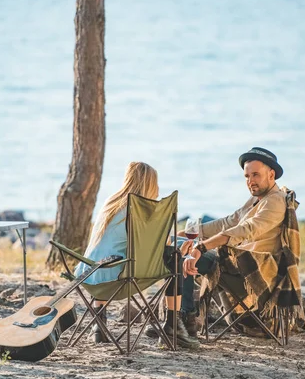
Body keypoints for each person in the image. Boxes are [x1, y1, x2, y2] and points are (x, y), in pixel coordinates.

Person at [73, 161, 199, 348]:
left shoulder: (112, 203)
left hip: (90, 277)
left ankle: (98, 325)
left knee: (111, 254)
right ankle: (174, 325)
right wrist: (180, 251)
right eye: (156, 184)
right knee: (174, 257)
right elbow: (155, 249)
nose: (157, 190)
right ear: (149, 185)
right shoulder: (140, 210)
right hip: (119, 279)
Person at [181, 147, 288, 336]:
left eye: (255, 175)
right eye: (247, 176)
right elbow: (228, 222)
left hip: (252, 276)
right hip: (238, 267)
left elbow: (245, 231)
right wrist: (187, 233)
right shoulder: (257, 199)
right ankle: (177, 319)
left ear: (271, 174)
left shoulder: (275, 201)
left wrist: (202, 246)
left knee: (184, 258)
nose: (250, 181)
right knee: (177, 248)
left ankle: (184, 320)